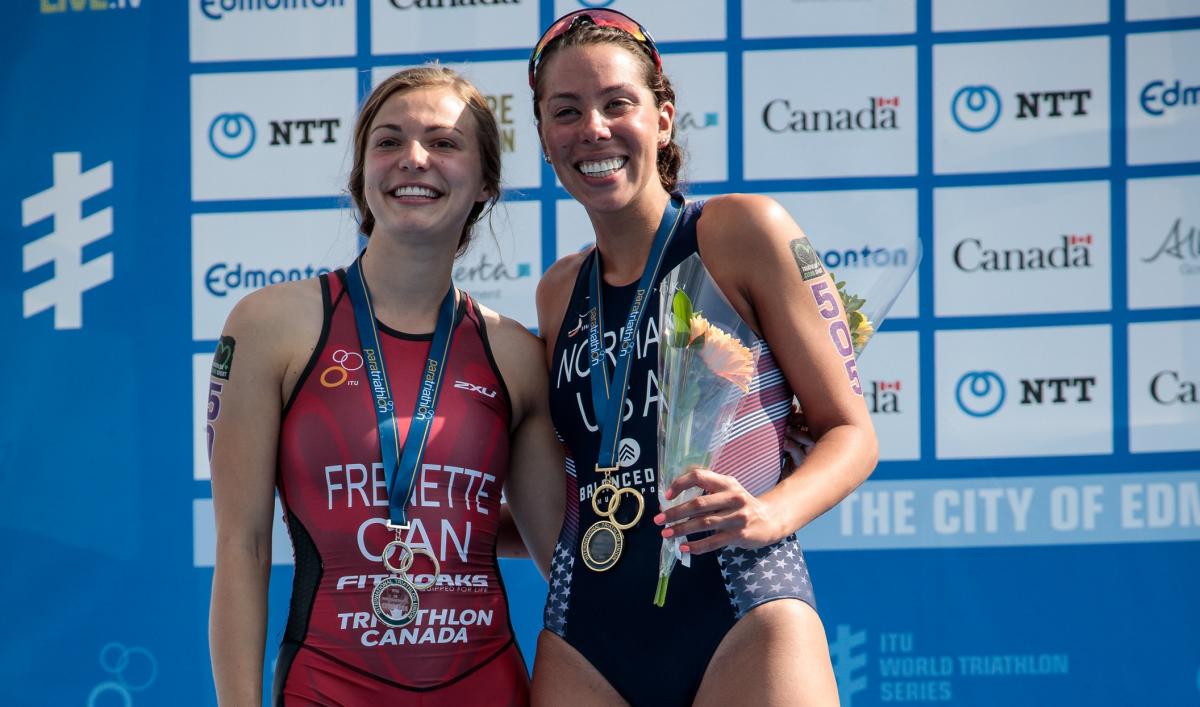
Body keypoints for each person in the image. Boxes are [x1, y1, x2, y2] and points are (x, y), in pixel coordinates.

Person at [528, 9, 879, 706]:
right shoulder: (557, 291)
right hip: (586, 633)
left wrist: (771, 513)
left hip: (741, 607)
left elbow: (851, 432)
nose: (592, 129)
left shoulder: (740, 231)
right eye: (565, 111)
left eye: (616, 103)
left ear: (662, 119)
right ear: (543, 136)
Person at [208, 66, 563, 706]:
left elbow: (564, 559)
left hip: (487, 689)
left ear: (486, 182)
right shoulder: (269, 327)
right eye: (389, 141)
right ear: (362, 173)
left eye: (444, 142)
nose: (414, 159)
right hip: (328, 689)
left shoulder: (515, 353)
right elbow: (243, 545)